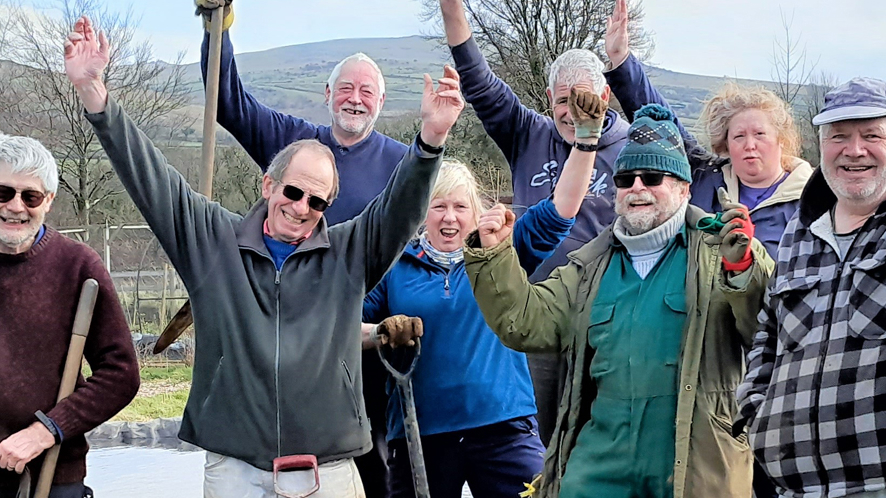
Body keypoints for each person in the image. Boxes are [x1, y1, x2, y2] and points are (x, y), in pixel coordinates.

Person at [64, 15, 464, 498]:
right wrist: (94, 94)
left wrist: (432, 140)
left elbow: (399, 209)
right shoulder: (214, 242)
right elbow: (153, 181)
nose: (302, 208)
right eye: (294, 192)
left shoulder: (347, 255)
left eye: (318, 202)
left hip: (331, 470)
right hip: (237, 470)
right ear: (268, 184)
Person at [464, 104, 774, 498]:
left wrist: (745, 265)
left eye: (653, 176)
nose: (637, 188)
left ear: (684, 187)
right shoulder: (590, 265)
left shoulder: (723, 249)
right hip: (598, 469)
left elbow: (767, 331)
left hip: (695, 468)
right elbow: (525, 322)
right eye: (626, 178)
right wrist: (493, 256)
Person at [193, 2, 412, 491]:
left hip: (371, 346)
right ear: (328, 92)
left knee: (374, 462)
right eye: (347, 88)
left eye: (367, 92)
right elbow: (227, 101)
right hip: (287, 337)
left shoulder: (403, 166)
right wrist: (218, 25)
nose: (355, 99)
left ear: (381, 101)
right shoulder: (294, 144)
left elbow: (421, 234)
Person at [362, 89, 607, 497]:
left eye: (460, 207)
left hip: (504, 427)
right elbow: (347, 325)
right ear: (422, 212)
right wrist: (381, 333)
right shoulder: (394, 264)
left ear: (476, 212)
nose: (450, 217)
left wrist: (585, 141)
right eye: (438, 206)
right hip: (420, 431)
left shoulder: (498, 251)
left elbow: (563, 207)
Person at [439, 0, 630, 445]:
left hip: (609, 316)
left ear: (604, 97)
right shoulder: (528, 131)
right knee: (542, 447)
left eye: (582, 100)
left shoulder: (631, 149)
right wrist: (453, 14)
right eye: (562, 100)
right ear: (549, 99)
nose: (572, 112)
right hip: (537, 313)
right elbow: (480, 82)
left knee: (604, 441)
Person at [736, 77, 886, 498]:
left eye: (872, 135)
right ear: (821, 146)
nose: (854, 150)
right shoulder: (797, 235)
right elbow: (767, 338)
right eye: (839, 136)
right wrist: (757, 414)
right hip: (795, 487)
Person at [603, 0, 812, 257]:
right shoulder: (706, 176)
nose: (750, 144)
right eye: (738, 136)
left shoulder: (813, 198)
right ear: (725, 144)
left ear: (781, 139)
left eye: (759, 134)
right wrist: (621, 61)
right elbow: (663, 121)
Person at [0, 134, 140, 498]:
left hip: (52, 472)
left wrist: (47, 429)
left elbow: (120, 375)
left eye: (29, 196)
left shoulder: (78, 267)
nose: (15, 207)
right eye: (3, 192)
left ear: (48, 200)